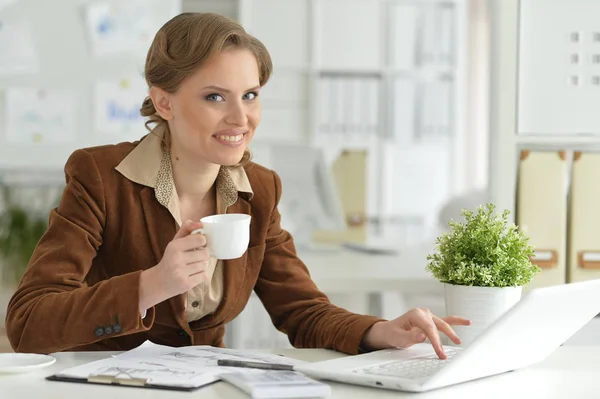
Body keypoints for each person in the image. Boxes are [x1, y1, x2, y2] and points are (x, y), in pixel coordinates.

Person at [5, 12, 469, 359]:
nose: (240, 118)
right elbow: (27, 324)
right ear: (162, 101)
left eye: (250, 95)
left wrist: (381, 331)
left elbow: (302, 310)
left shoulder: (259, 190)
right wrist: (150, 285)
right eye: (214, 97)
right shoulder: (100, 177)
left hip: (207, 386)